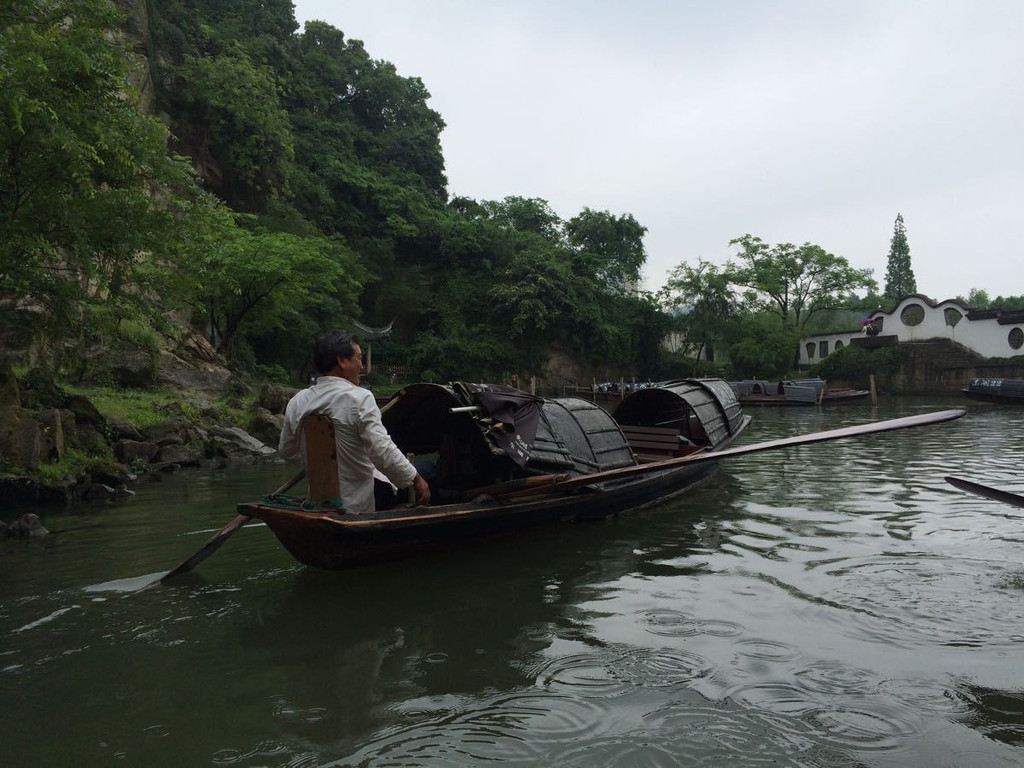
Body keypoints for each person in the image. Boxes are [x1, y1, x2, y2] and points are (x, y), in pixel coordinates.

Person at [279, 330, 430, 513]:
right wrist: (416, 479)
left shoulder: (298, 401)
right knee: (429, 469)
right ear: (342, 361)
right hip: (359, 501)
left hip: (319, 500)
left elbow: (286, 450)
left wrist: (328, 466)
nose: (362, 366)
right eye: (359, 358)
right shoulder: (359, 398)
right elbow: (382, 450)